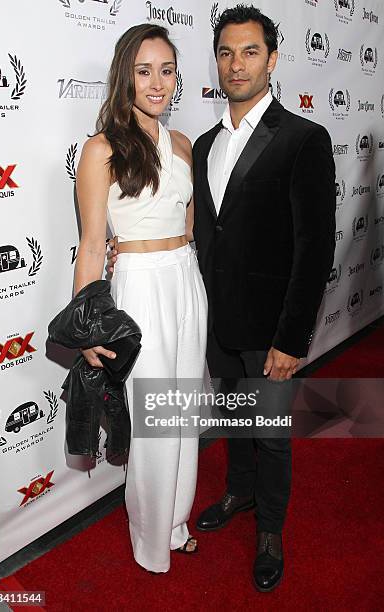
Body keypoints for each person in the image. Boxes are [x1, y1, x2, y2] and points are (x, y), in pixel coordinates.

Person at [192, 5, 335, 592]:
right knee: (235, 421)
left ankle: (271, 529)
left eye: (250, 51)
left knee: (271, 433)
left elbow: (315, 248)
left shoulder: (304, 138)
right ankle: (240, 492)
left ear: (272, 60)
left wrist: (291, 338)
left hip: (273, 329)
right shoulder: (203, 144)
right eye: (226, 52)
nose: (236, 63)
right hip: (221, 324)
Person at [74, 23, 208, 573]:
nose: (158, 83)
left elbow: (189, 225)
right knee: (155, 423)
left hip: (185, 278)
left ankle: (175, 522)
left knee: (184, 416)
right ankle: (151, 540)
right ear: (124, 76)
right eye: (144, 70)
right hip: (139, 285)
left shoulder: (181, 144)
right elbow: (89, 246)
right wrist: (86, 328)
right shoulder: (101, 150)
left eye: (167, 70)